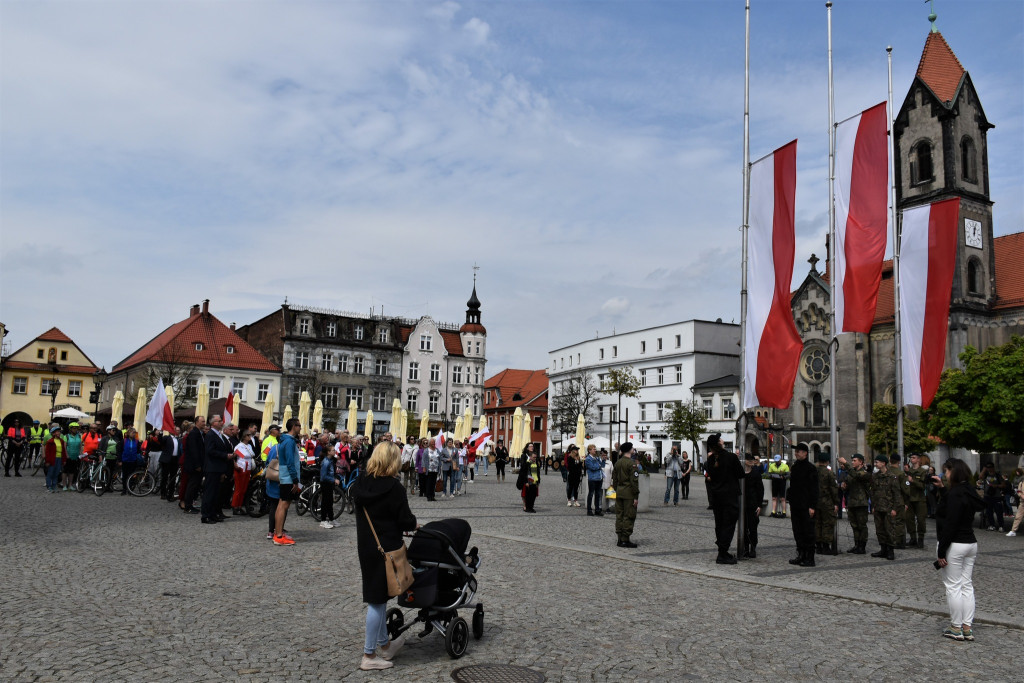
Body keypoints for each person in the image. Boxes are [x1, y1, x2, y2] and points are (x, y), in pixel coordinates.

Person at [350, 442, 417, 671]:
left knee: (377, 597)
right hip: (387, 548)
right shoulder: (394, 488)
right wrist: (414, 523)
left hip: (368, 547)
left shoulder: (360, 483)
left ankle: (385, 645)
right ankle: (369, 655)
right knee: (377, 602)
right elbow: (405, 520)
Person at [934, 458, 985, 641]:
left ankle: (956, 627)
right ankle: (967, 627)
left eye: (946, 471)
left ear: (953, 471)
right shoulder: (968, 490)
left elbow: (951, 523)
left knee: (953, 586)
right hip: (970, 543)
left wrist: (941, 551)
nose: (945, 475)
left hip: (955, 544)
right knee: (966, 585)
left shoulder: (956, 493)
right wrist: (941, 488)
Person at [706, 434, 744, 563]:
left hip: (717, 497)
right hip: (729, 496)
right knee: (728, 525)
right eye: (720, 440)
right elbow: (741, 474)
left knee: (720, 524)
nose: (722, 440)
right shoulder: (730, 457)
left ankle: (722, 551)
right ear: (719, 443)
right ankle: (722, 553)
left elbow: (711, 475)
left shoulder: (710, 461)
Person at [786, 443, 818, 567]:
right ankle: (801, 554)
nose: (796, 453)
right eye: (796, 451)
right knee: (797, 531)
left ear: (805, 453)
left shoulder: (810, 468)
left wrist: (812, 506)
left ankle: (810, 558)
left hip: (806, 505)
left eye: (798, 451)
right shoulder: (795, 467)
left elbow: (814, 488)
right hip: (796, 504)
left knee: (808, 532)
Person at [201, 416, 234, 522]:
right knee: (209, 493)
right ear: (213, 423)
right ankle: (206, 515)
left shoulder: (219, 434)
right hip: (212, 467)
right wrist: (225, 455)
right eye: (219, 421)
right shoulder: (210, 435)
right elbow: (210, 451)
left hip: (219, 467)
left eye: (221, 421)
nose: (221, 422)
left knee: (216, 493)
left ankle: (213, 513)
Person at [274, 418, 302, 544]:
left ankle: (278, 532)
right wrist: (295, 480)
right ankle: (279, 536)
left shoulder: (285, 440)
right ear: (293, 427)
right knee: (283, 505)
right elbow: (290, 462)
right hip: (288, 477)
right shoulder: (289, 442)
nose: (300, 428)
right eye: (299, 425)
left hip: (285, 475)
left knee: (281, 504)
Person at [869, 455, 902, 561]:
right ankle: (883, 549)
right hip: (878, 507)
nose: (875, 464)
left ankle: (890, 550)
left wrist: (894, 509)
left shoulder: (892, 477)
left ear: (883, 463)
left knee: (890, 529)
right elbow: (873, 492)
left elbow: (897, 494)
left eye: (877, 462)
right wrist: (873, 505)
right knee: (880, 529)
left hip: (888, 508)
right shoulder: (875, 476)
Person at [839, 454, 871, 554]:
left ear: (861, 462)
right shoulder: (851, 473)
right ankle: (857, 545)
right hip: (852, 503)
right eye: (851, 460)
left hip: (861, 503)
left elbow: (857, 476)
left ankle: (862, 546)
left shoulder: (864, 473)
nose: (852, 462)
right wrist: (844, 486)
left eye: (854, 460)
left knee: (861, 525)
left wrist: (845, 463)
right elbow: (848, 482)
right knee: (854, 525)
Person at [612, 443, 639, 547]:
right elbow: (634, 481)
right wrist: (635, 496)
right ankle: (625, 539)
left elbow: (614, 479)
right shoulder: (632, 464)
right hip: (629, 493)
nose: (633, 449)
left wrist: (617, 489)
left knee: (619, 515)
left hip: (619, 491)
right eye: (632, 448)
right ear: (629, 450)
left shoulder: (618, 463)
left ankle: (619, 538)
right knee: (629, 515)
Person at [814, 451, 839, 555]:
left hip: (815, 501)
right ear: (828, 462)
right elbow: (833, 489)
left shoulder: (813, 472)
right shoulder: (829, 473)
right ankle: (825, 546)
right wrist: (836, 503)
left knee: (817, 524)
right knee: (827, 524)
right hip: (827, 502)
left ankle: (818, 546)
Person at [741, 452, 764, 558]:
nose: (750, 462)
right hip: (743, 504)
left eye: (752, 460)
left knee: (753, 527)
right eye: (748, 460)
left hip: (753, 504)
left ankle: (753, 548)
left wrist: (759, 505)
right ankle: (745, 547)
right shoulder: (741, 473)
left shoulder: (755, 473)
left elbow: (760, 490)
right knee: (744, 527)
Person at [904, 453, 929, 548]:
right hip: (909, 499)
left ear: (918, 460)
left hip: (919, 499)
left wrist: (913, 481)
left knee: (921, 520)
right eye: (911, 457)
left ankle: (921, 539)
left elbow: (923, 486)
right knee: (909, 519)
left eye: (914, 458)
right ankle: (913, 538)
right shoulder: (908, 471)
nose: (911, 459)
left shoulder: (922, 471)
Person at [182, 417, 206, 514]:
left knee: (195, 485)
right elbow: (194, 451)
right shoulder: (194, 433)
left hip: (198, 464)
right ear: (197, 422)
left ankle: (190, 504)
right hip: (194, 465)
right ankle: (188, 506)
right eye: (202, 421)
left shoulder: (199, 433)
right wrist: (197, 465)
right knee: (192, 485)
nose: (204, 423)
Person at [977, 462, 1007, 531]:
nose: (989, 469)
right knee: (989, 512)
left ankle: (1001, 525)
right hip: (987, 496)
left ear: (993, 467)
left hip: (996, 496)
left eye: (990, 467)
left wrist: (996, 486)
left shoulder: (997, 475)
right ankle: (991, 525)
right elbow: (980, 477)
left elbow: (1003, 485)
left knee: (999, 512)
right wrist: (984, 469)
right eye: (988, 467)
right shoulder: (986, 475)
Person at [232, 432, 255, 515]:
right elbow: (235, 457)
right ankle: (235, 506)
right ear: (244, 437)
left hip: (248, 468)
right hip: (241, 467)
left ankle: (239, 506)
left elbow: (252, 454)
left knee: (244, 489)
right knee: (238, 488)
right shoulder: (239, 446)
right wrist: (235, 465)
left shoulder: (249, 446)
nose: (250, 437)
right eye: (248, 435)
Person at [890, 454, 909, 548]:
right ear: (898, 461)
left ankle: (891, 540)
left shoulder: (887, 472)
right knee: (900, 522)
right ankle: (899, 541)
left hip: (888, 501)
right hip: (899, 501)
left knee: (890, 522)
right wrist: (906, 502)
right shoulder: (901, 474)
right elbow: (905, 489)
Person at [319, 444, 339, 529]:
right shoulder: (326, 462)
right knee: (325, 502)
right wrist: (333, 480)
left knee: (330, 501)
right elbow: (323, 476)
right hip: (326, 483)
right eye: (333, 450)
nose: (335, 451)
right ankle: (323, 520)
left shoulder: (331, 460)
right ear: (328, 452)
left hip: (329, 483)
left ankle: (331, 518)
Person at [120, 428, 144, 495]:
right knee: (125, 475)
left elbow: (139, 451)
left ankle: (130, 489)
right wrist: (119, 460)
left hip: (133, 460)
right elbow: (120, 451)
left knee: (132, 475)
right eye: (132, 432)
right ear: (128, 433)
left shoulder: (136, 441)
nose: (133, 434)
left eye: (134, 433)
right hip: (125, 460)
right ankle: (124, 489)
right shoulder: (124, 441)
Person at [98, 425, 122, 492]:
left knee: (111, 473)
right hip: (106, 457)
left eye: (115, 430)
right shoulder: (104, 438)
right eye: (113, 430)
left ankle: (108, 486)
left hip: (114, 457)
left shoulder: (116, 439)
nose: (114, 432)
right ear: (108, 431)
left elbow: (119, 448)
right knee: (104, 472)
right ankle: (103, 486)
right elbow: (100, 449)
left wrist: (118, 458)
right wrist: (100, 458)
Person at [159, 428, 180, 502]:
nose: (178, 431)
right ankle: (163, 493)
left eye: (178, 430)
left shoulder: (178, 439)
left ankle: (171, 493)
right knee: (164, 476)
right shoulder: (166, 438)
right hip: (167, 459)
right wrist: (160, 432)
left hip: (175, 459)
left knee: (173, 477)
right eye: (176, 430)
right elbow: (160, 441)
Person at [516, 447, 540, 513]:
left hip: (535, 481)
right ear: (530, 457)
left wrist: (538, 482)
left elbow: (538, 473)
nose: (535, 458)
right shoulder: (527, 463)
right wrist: (526, 482)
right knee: (528, 496)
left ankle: (531, 507)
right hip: (529, 482)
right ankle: (528, 508)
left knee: (533, 496)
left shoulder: (536, 463)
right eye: (534, 457)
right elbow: (525, 473)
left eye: (536, 457)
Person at [43, 425, 65, 493]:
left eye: (59, 431)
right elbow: (47, 452)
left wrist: (64, 460)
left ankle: (54, 486)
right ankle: (49, 486)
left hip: (59, 458)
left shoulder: (61, 441)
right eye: (57, 432)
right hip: (52, 459)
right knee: (50, 473)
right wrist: (47, 461)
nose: (59, 433)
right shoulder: (50, 441)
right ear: (53, 433)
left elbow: (63, 450)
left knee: (56, 473)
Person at [584, 444, 604, 517]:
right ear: (589, 450)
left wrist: (601, 460)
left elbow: (602, 465)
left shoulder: (596, 458)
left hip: (599, 478)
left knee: (598, 494)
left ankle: (597, 509)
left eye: (595, 449)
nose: (595, 450)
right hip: (592, 478)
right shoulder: (588, 459)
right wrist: (598, 466)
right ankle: (589, 510)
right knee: (591, 494)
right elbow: (592, 467)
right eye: (593, 449)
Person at [62, 422, 82, 491]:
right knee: (65, 471)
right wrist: (66, 455)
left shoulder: (79, 436)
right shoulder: (66, 436)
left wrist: (80, 453)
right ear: (70, 429)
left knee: (72, 471)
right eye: (74, 428)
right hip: (68, 456)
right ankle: (64, 485)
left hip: (75, 456)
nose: (75, 429)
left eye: (77, 428)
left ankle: (70, 485)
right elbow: (64, 447)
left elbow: (80, 446)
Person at [1005, 471, 1024, 537]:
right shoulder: (1021, 483)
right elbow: (1019, 491)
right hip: (1022, 503)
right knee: (1018, 517)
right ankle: (1013, 530)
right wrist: (1021, 495)